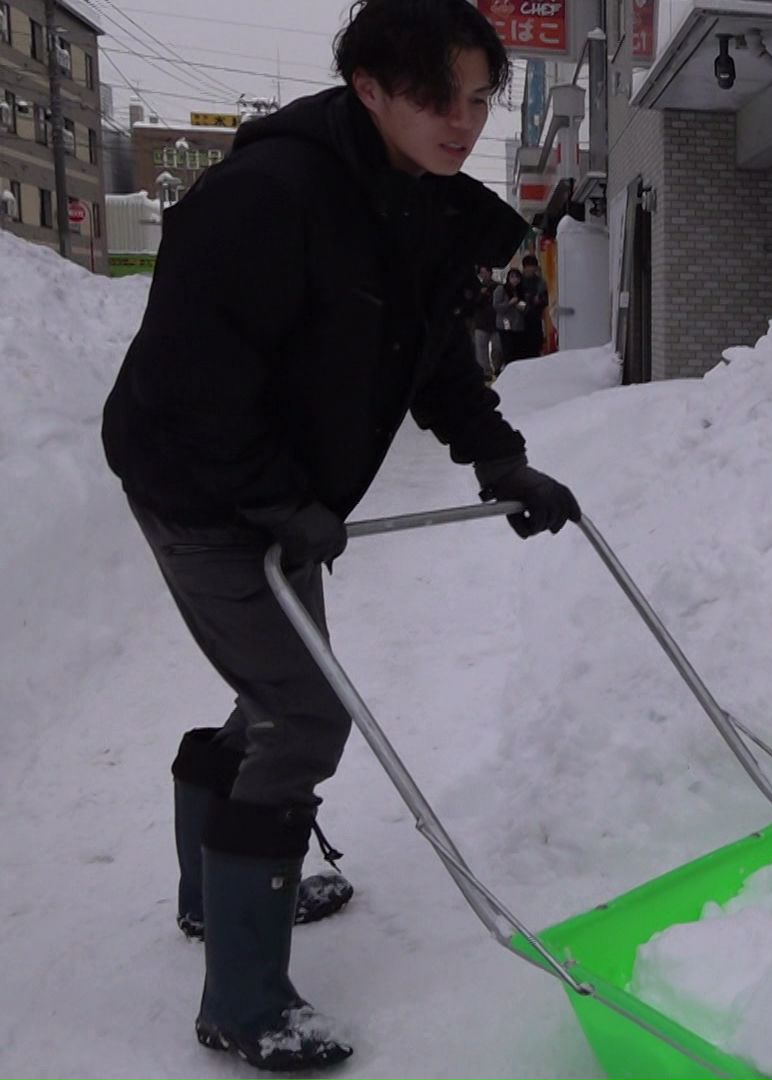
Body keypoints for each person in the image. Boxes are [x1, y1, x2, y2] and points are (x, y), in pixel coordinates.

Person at [98, 0, 580, 1070]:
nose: (463, 121)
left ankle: (209, 899)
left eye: (478, 97)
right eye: (435, 96)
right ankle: (244, 1003)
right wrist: (277, 502)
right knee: (304, 716)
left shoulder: (418, 202)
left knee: (276, 695)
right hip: (197, 488)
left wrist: (496, 457)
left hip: (272, 496)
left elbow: (432, 354)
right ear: (368, 87)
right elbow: (192, 382)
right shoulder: (266, 199)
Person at [515, 253, 549, 360]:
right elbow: (514, 300)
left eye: (533, 267)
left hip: (535, 321)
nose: (530, 269)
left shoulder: (540, 282)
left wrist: (539, 301)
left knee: (535, 350)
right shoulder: (518, 282)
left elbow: (546, 300)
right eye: (528, 267)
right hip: (520, 321)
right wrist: (525, 306)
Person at [494, 266, 526, 364]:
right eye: (512, 277)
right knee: (508, 351)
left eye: (517, 277)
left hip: (518, 325)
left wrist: (520, 304)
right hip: (505, 324)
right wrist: (509, 303)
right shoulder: (501, 289)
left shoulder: (520, 291)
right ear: (508, 278)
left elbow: (524, 307)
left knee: (518, 352)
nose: (515, 280)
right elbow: (496, 306)